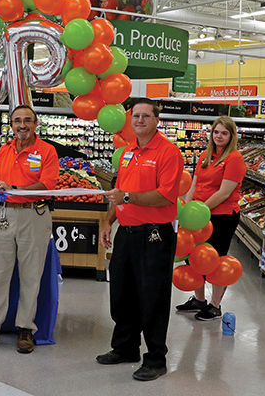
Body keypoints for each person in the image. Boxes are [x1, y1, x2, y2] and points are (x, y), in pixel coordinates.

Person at [97, 98, 183, 382]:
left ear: (157, 120)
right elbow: (119, 192)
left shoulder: (169, 153)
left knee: (153, 297)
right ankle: (125, 347)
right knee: (122, 293)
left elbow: (166, 195)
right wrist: (109, 221)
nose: (140, 120)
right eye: (136, 116)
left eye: (146, 116)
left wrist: (128, 198)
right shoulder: (126, 153)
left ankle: (156, 358)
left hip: (154, 235)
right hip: (127, 232)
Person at [0, 105, 59, 354]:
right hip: (2, 214)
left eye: (27, 120)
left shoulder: (47, 151)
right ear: (11, 125)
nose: (22, 125)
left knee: (31, 275)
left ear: (36, 124)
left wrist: (14, 188)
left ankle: (26, 329)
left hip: (34, 215)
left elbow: (48, 184)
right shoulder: (4, 150)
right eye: (17, 121)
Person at [177, 116, 246, 320]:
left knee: (215, 259)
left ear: (231, 136)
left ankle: (215, 305)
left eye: (224, 133)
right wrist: (187, 210)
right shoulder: (205, 156)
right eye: (216, 132)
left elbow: (224, 192)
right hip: (197, 216)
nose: (219, 136)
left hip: (222, 216)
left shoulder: (234, 158)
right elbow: (194, 184)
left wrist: (200, 211)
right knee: (194, 256)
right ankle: (199, 300)